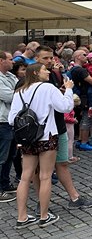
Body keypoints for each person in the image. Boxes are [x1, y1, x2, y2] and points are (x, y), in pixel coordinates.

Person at [8, 63, 74, 229]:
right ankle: (44, 216)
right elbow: (65, 107)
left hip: (27, 138)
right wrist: (69, 89)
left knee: (25, 177)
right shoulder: (48, 88)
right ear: (37, 72)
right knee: (45, 176)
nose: (48, 71)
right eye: (45, 69)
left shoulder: (19, 91)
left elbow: (11, 119)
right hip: (46, 136)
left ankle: (22, 217)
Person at [33, 47, 92, 210]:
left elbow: (56, 97)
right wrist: (67, 92)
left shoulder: (52, 74)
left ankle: (74, 197)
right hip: (40, 131)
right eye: (45, 58)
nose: (49, 61)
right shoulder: (32, 79)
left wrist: (62, 92)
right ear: (36, 58)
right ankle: (42, 202)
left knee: (62, 163)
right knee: (39, 170)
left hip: (58, 126)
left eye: (50, 58)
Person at [0, 50, 18, 203]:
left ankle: (5, 183)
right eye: (10, 59)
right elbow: (9, 96)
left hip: (11, 120)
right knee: (1, 156)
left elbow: (18, 91)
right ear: (1, 61)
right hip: (2, 121)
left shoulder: (11, 76)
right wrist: (19, 93)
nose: (13, 62)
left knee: (10, 155)